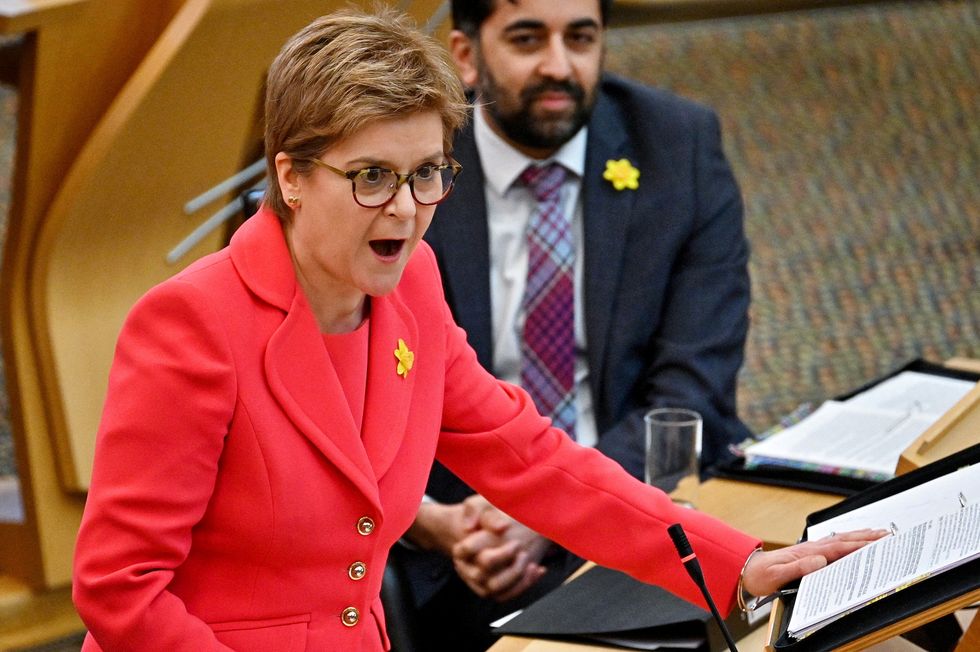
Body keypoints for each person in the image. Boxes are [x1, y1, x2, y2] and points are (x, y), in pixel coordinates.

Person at [72, 8, 884, 652]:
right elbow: (120, 588)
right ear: (290, 175)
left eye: (428, 173)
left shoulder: (411, 286)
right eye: (371, 177)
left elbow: (531, 460)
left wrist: (736, 562)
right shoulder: (191, 324)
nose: (405, 208)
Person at [402, 0, 756, 647]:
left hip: (647, 491)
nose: (559, 66)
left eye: (582, 37)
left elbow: (692, 391)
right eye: (527, 39)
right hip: (463, 539)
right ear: (466, 55)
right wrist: (438, 523)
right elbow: (360, 395)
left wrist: (551, 509)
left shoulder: (678, 147)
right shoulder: (410, 167)